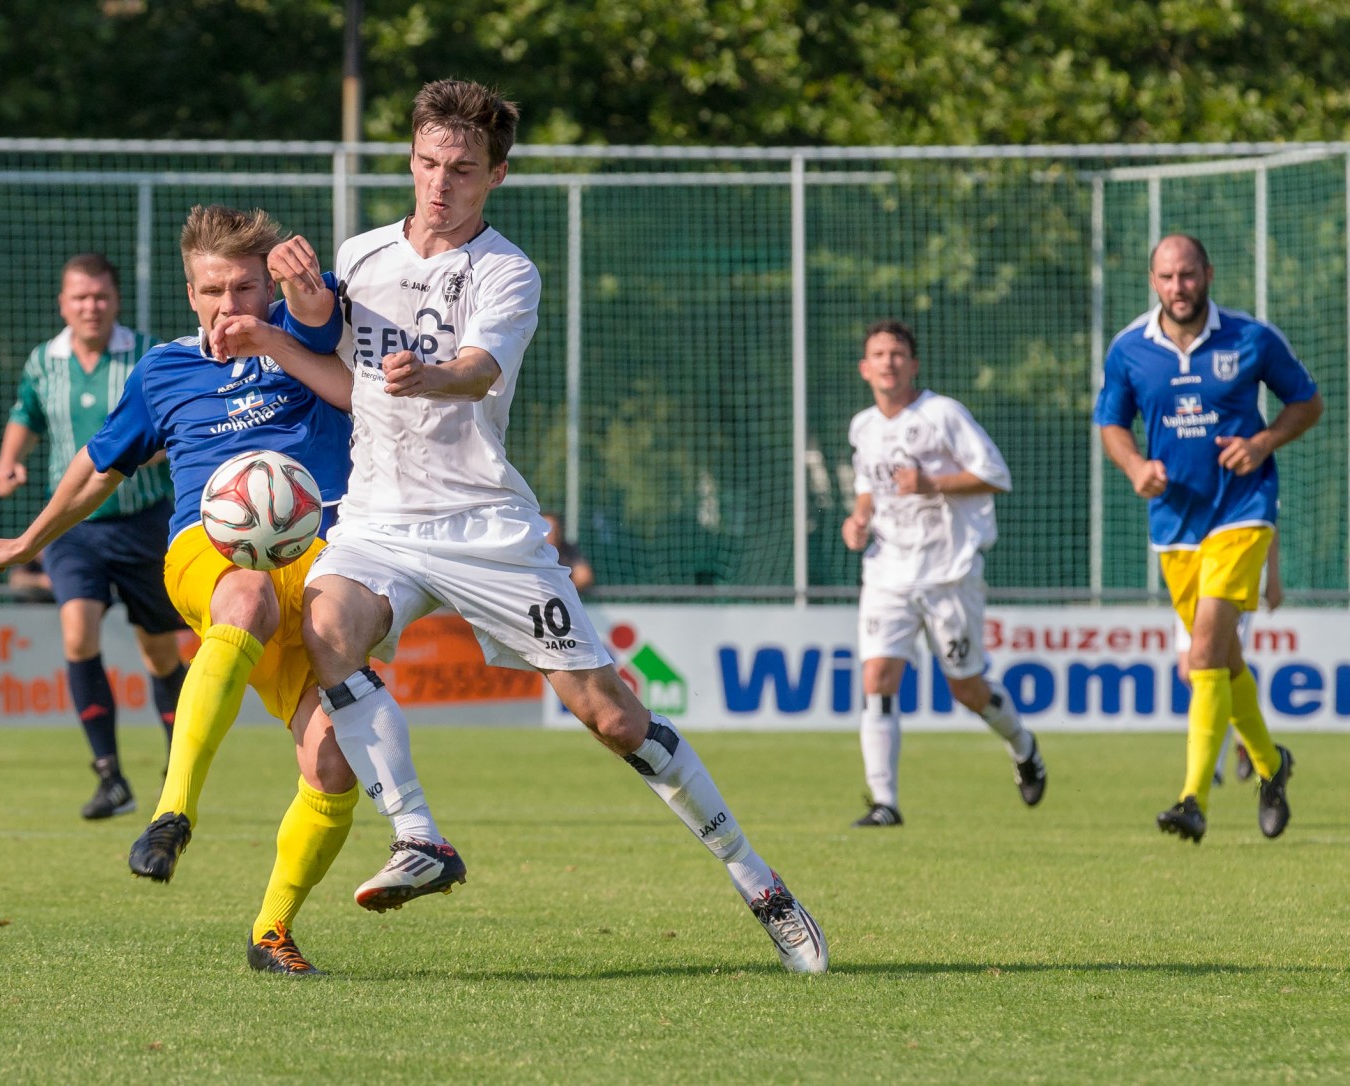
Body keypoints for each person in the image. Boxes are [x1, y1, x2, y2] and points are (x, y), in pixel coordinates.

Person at [209, 80, 826, 973]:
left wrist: (432, 376)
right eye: (427, 164)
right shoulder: (365, 255)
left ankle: (757, 879)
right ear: (410, 162)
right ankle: (419, 837)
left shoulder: (507, 270)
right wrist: (282, 329)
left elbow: (475, 371)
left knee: (614, 719)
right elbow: (352, 386)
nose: (439, 184)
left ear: (495, 174)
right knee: (329, 623)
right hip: (379, 520)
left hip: (484, 527)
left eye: (462, 169)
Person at [0, 205, 357, 976]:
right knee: (244, 596)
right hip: (207, 554)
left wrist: (297, 304)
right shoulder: (164, 370)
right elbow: (93, 467)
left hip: (320, 566)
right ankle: (170, 814)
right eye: (212, 291)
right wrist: (27, 541)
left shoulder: (310, 332)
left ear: (268, 284)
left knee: (334, 762)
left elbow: (353, 350)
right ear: (189, 292)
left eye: (245, 288)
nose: (229, 307)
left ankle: (271, 932)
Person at [1096, 233, 1322, 843]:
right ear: (1152, 282)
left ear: (1208, 274)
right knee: (1221, 658)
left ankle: (1192, 798)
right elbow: (1110, 422)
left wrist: (1264, 442)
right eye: (1167, 277)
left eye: (1189, 275)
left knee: (1201, 654)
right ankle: (1272, 767)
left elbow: (1307, 402)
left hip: (1244, 512)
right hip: (1175, 522)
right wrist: (1135, 467)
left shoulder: (1251, 338)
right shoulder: (1128, 350)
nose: (1179, 287)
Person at [0, 252, 190, 821]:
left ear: (115, 300)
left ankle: (179, 764)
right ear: (63, 304)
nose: (90, 307)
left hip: (142, 521)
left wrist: (143, 454)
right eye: (79, 297)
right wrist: (9, 463)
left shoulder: (145, 355)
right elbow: (26, 414)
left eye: (100, 296)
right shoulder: (43, 361)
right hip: (72, 526)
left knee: (158, 651)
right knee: (77, 633)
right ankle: (110, 777)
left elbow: (170, 425)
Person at [840, 320, 1046, 828]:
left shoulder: (942, 414)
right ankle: (884, 802)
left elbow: (996, 475)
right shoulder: (863, 426)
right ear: (865, 368)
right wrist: (859, 517)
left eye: (898, 354)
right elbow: (869, 484)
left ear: (914, 364)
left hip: (948, 571)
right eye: (879, 354)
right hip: (888, 570)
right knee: (877, 677)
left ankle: (1023, 745)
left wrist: (932, 481)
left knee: (967, 689)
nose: (888, 362)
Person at [1175, 532, 1281, 785]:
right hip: (1191, 577)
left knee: (1214, 664)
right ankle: (1258, 752)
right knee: (1189, 672)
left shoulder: (1248, 494)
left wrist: (1274, 578)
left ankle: (1208, 772)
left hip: (1230, 573)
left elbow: (1268, 523)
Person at [543, 511, 595, 591]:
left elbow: (584, 577)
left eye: (554, 529)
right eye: (547, 530)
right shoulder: (530, 552)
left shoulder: (569, 550)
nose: (552, 534)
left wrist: (559, 590)